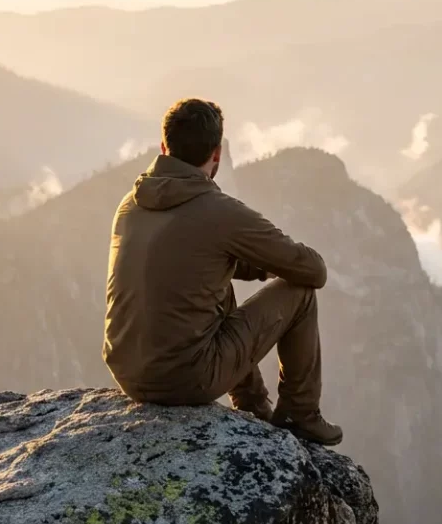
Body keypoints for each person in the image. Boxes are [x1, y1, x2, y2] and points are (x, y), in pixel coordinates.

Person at [103, 98, 342, 446]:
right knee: (300, 294)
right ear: (216, 154)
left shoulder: (130, 203)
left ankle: (252, 404)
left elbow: (199, 257)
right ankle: (300, 414)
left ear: (164, 147)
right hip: (184, 380)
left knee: (213, 278)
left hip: (127, 370)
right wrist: (269, 260)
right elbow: (313, 270)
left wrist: (244, 260)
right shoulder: (220, 212)